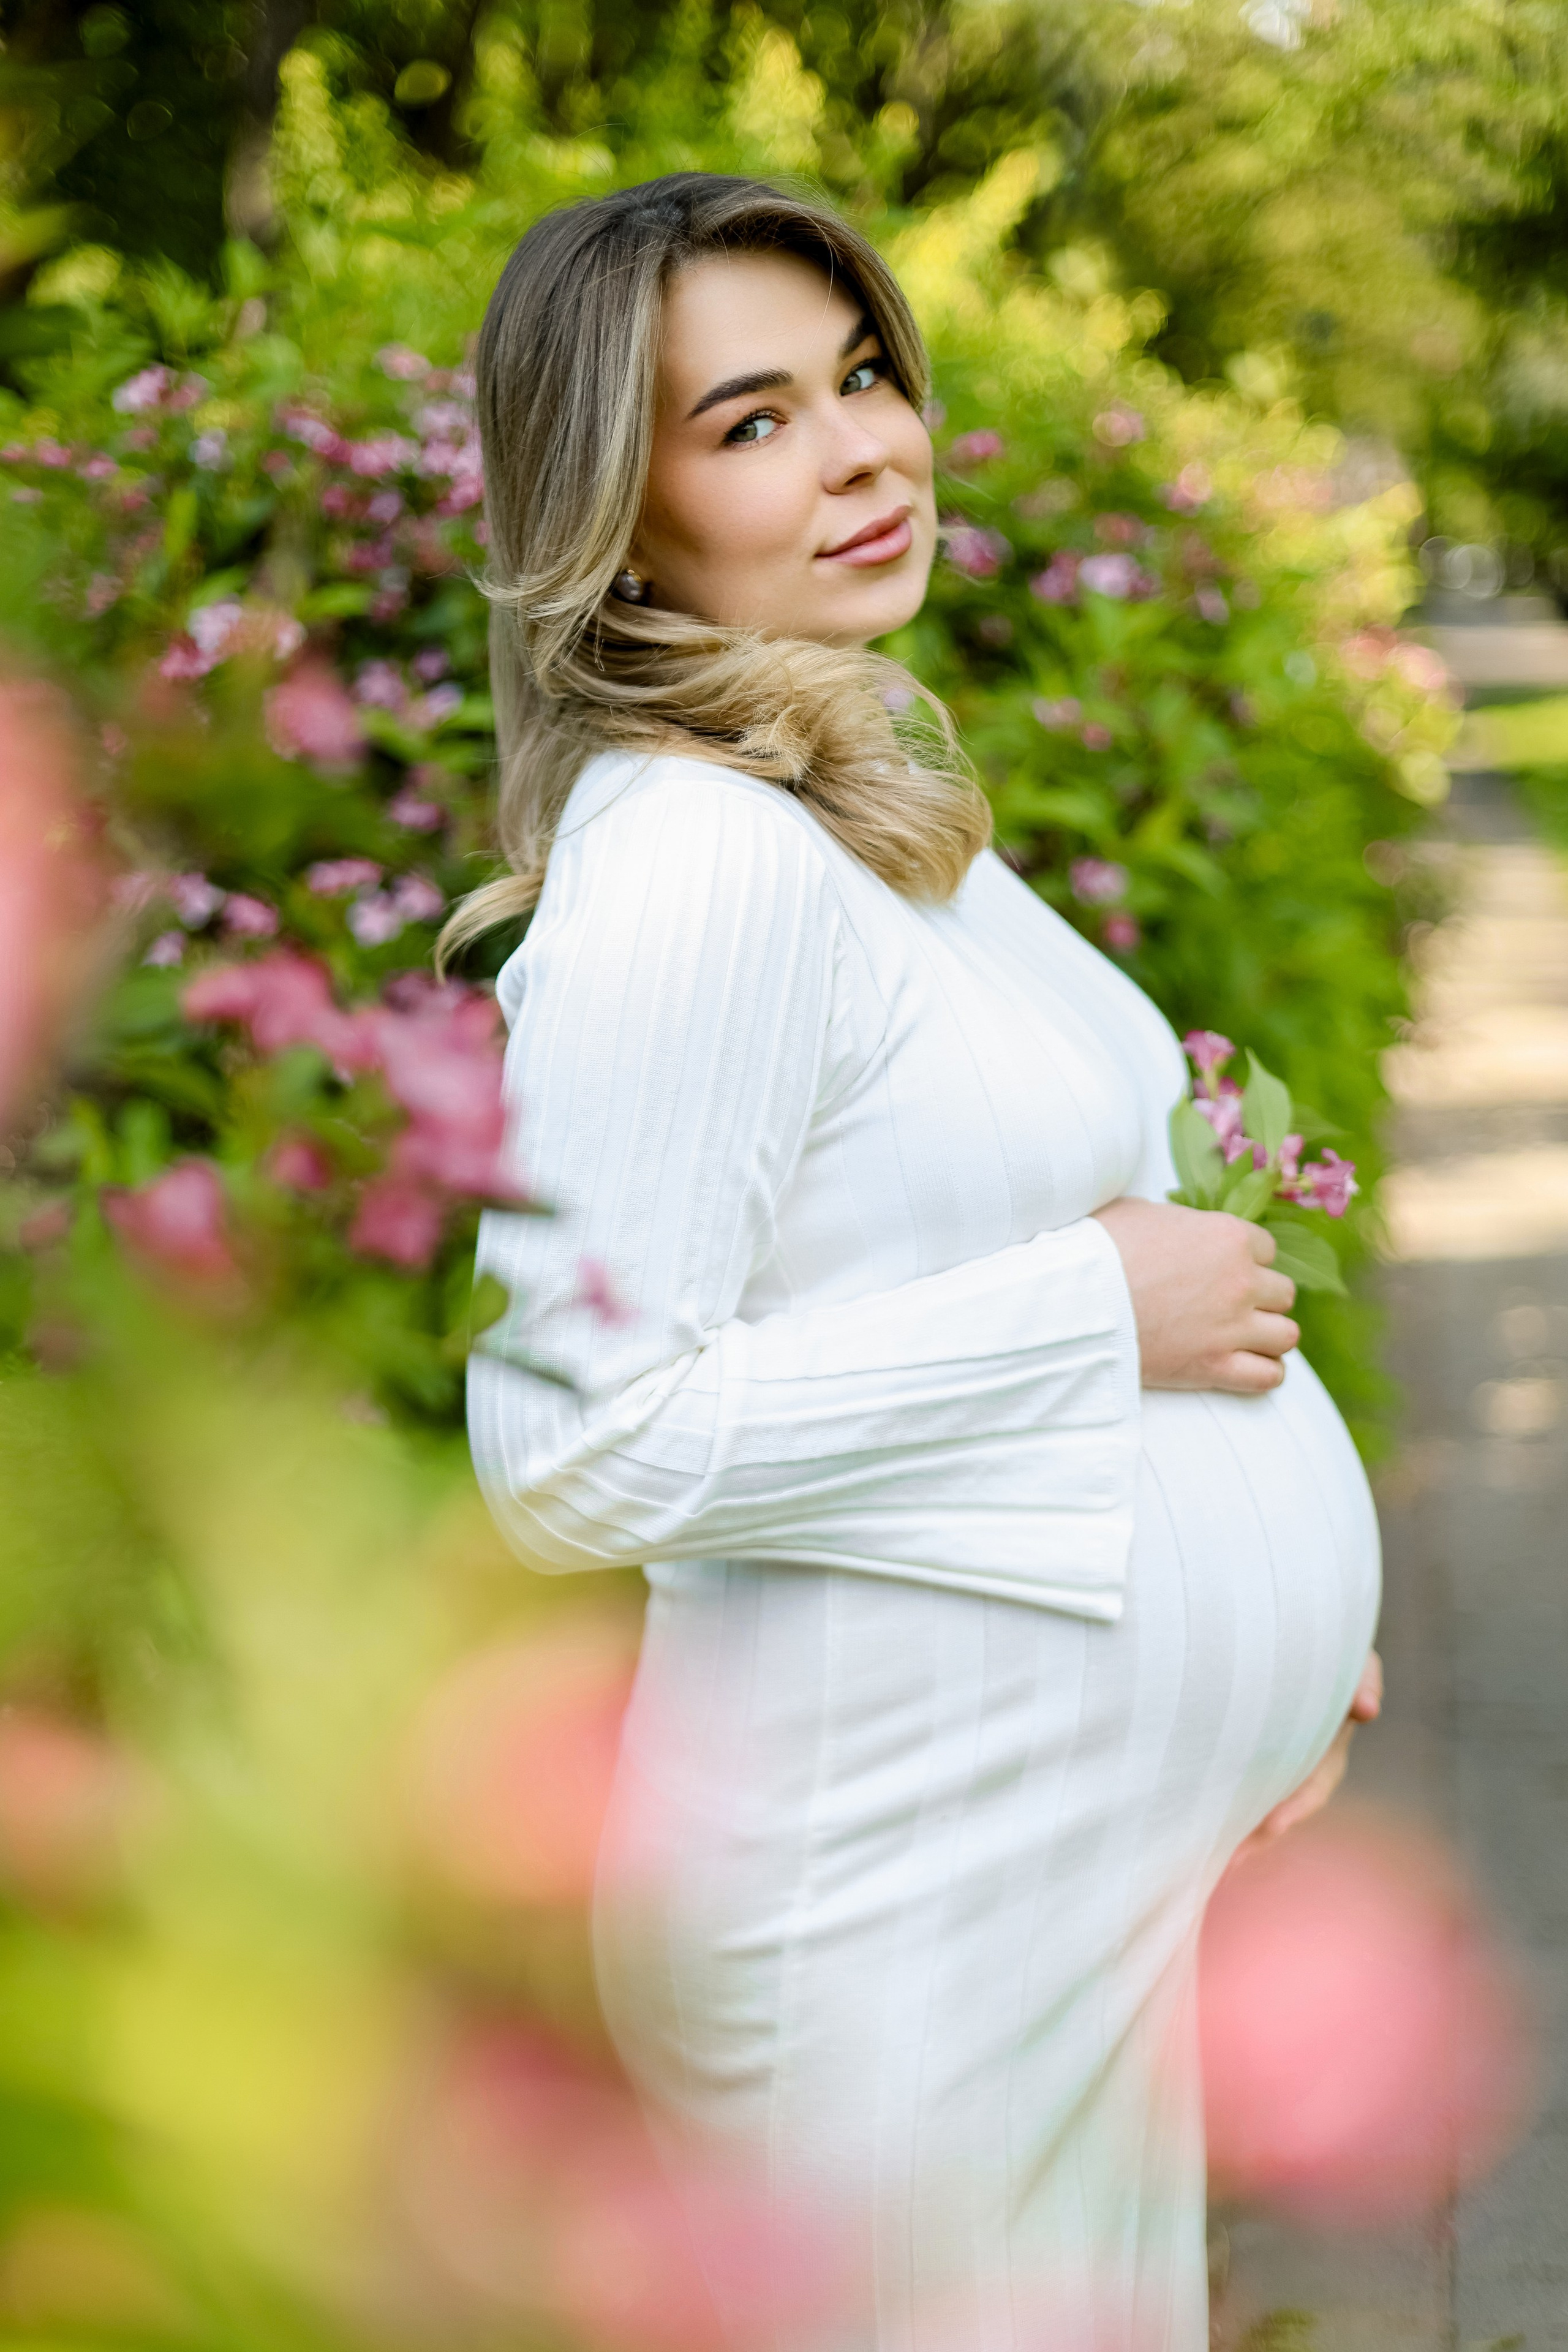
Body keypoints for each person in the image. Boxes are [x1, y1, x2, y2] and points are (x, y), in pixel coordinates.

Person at [455, 172, 1382, 2352]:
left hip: (1045, 1897)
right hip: (894, 1925)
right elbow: (576, 1442)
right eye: (753, 420)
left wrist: (1272, 1640)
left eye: (864, 375)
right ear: (621, 504)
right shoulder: (693, 862)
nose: (866, 447)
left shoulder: (853, 811)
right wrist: (1099, 1322)